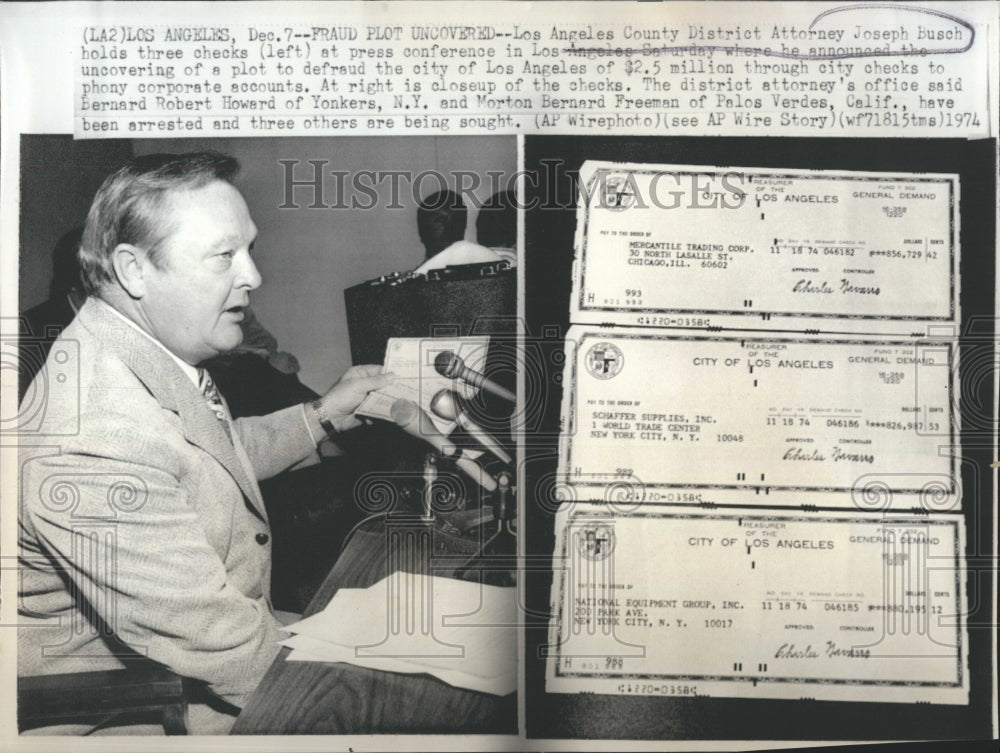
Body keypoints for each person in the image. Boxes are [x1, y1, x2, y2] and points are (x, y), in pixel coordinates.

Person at [17, 152, 391, 733]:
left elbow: (202, 455)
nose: (253, 276)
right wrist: (375, 711)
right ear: (134, 270)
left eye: (249, 250)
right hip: (136, 712)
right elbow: (219, 641)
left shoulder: (136, 348)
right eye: (223, 256)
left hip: (206, 651)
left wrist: (322, 415)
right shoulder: (92, 436)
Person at [412, 189, 504, 274]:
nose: (421, 234)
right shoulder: (497, 263)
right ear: (464, 224)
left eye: (423, 226)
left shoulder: (415, 279)